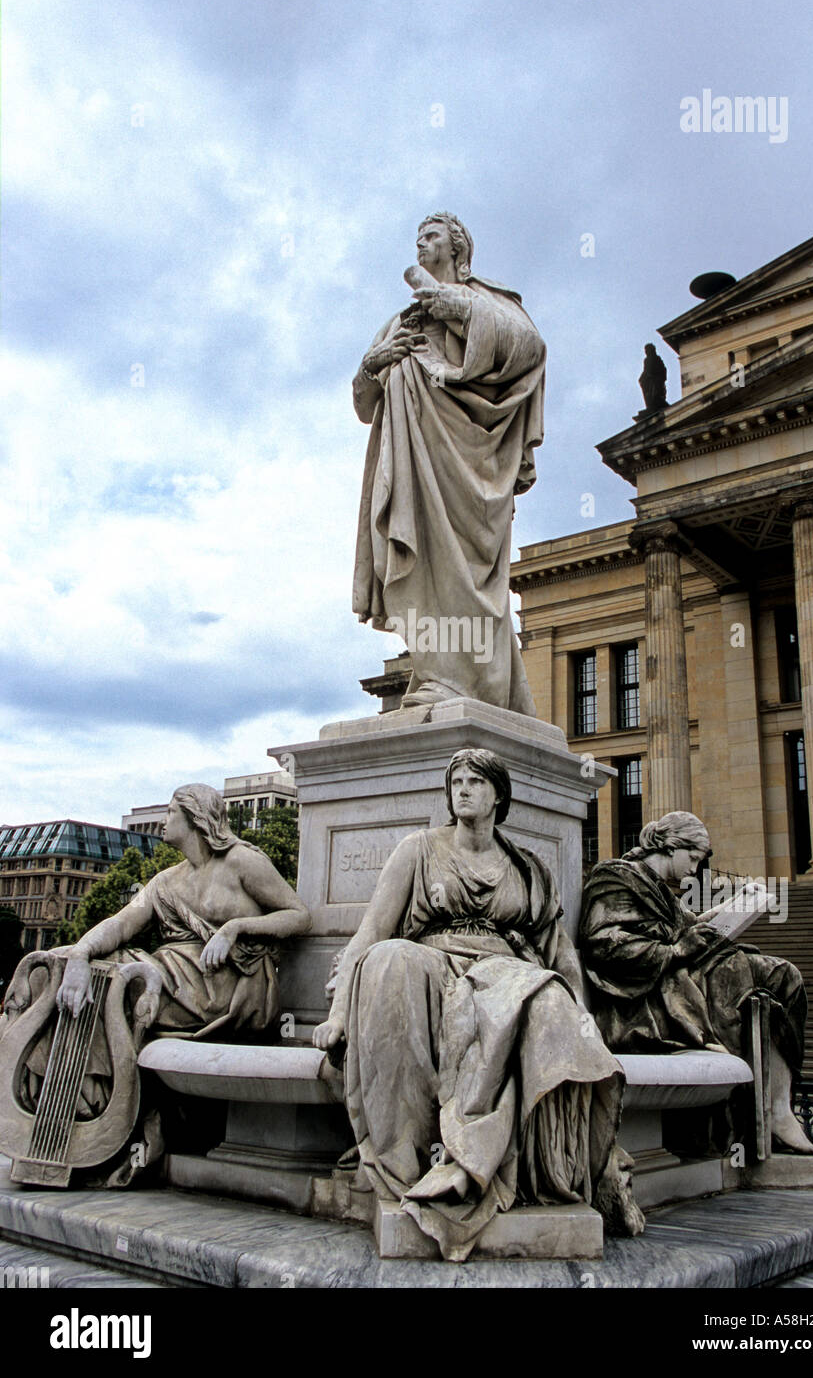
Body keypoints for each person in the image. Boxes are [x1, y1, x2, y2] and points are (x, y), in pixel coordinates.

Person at [313, 748, 644, 1262]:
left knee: (548, 997)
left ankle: (527, 1169)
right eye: (456, 781)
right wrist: (337, 1015)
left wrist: (582, 1013)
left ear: (499, 795)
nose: (462, 789)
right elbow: (371, 932)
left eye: (475, 781)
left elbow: (561, 952)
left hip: (506, 971)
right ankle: (412, 1159)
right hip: (436, 964)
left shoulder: (528, 868)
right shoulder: (417, 850)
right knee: (390, 959)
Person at [351, 212, 545, 716]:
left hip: (470, 460)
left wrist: (457, 307)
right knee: (425, 565)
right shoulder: (400, 320)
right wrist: (376, 363)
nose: (421, 244)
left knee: (466, 567)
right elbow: (362, 402)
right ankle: (440, 673)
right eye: (417, 237)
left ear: (458, 248)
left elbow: (529, 346)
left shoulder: (486, 299)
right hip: (414, 461)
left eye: (431, 236)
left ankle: (469, 679)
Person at [578, 811, 813, 1155]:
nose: (694, 869)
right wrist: (678, 949)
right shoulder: (617, 877)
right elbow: (605, 945)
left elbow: (689, 926)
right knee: (773, 974)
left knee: (782, 976)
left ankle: (777, 1111)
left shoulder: (660, 891)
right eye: (692, 858)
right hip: (648, 995)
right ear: (669, 847)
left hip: (680, 978)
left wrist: (738, 905)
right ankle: (771, 1116)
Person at [55, 783, 310, 1036]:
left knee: (111, 980)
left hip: (228, 988)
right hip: (171, 978)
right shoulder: (164, 881)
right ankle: (86, 1074)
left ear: (194, 816)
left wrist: (234, 928)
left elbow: (299, 916)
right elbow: (121, 924)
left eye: (170, 812)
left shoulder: (241, 861)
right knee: (61, 962)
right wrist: (81, 954)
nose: (163, 821)